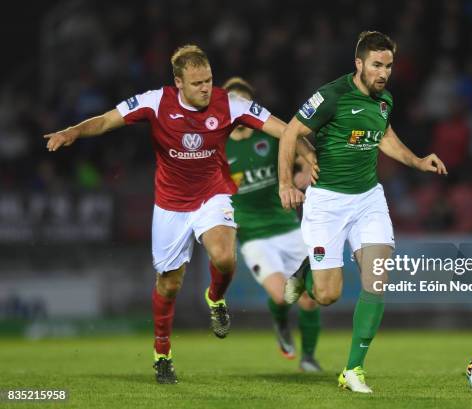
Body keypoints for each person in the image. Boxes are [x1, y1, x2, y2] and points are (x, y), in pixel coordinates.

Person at [44, 44, 316, 384]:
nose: (206, 88)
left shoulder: (229, 104)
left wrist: (306, 151)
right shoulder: (155, 102)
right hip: (171, 205)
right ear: (178, 82)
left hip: (213, 195)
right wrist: (72, 132)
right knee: (169, 285)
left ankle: (215, 299)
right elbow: (104, 121)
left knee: (224, 258)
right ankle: (162, 354)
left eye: (209, 80)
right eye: (198, 82)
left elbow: (282, 127)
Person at [278, 31, 448, 393]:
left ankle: (353, 370)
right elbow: (291, 133)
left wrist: (417, 161)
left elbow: (384, 136)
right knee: (326, 295)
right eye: (376, 65)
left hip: (368, 200)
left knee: (378, 279)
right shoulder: (332, 96)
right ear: (359, 64)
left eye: (388, 65)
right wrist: (285, 184)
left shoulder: (384, 100)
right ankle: (308, 271)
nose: (383, 72)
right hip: (326, 204)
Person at [223, 77, 322, 372]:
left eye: (243, 103)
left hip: (288, 226)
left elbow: (303, 153)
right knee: (282, 295)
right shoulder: (218, 146)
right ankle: (280, 322)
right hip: (253, 235)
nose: (237, 109)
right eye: (231, 103)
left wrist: (305, 170)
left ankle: (308, 358)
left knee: (309, 299)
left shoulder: (270, 136)